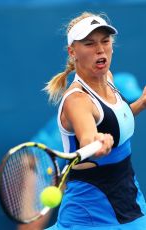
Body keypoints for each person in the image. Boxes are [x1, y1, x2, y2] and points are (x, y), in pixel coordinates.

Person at [44, 12, 146, 230]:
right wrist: (96, 141)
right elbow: (88, 136)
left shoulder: (108, 79)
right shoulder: (77, 101)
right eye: (89, 44)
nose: (100, 49)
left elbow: (115, 122)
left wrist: (141, 103)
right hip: (90, 213)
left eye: (105, 41)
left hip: (129, 199)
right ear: (73, 52)